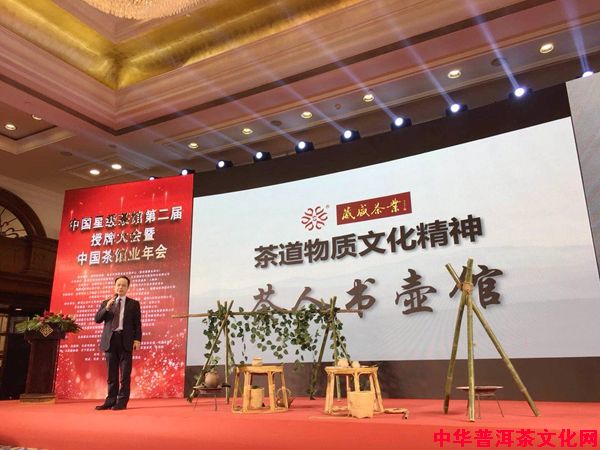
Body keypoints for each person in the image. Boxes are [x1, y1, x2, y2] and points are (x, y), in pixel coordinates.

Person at [94, 275, 142, 410]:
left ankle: (122, 402)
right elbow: (97, 319)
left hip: (125, 341)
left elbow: (137, 324)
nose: (120, 287)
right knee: (111, 374)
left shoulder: (133, 304)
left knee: (125, 374)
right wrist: (106, 308)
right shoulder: (106, 303)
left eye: (123, 285)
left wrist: (137, 339)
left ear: (128, 288)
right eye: (118, 285)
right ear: (115, 287)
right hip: (110, 341)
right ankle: (110, 400)